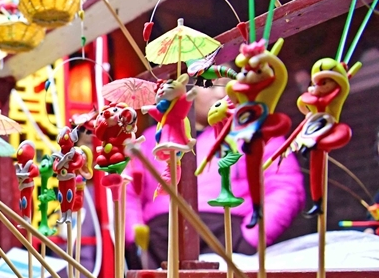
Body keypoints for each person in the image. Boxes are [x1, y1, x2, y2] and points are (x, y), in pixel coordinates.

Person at [124, 82, 306, 266]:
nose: (221, 93)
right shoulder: (154, 138)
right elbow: (129, 192)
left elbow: (285, 185)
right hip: (161, 237)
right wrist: (136, 239)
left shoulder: (255, 131)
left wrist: (253, 237)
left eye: (228, 87)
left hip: (227, 232)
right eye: (211, 86)